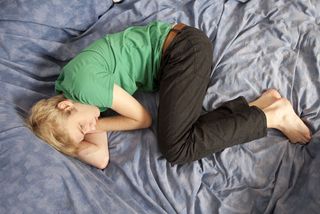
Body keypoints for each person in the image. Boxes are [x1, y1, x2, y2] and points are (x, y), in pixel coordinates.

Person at [27, 21, 311, 169]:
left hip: (183, 49)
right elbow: (101, 158)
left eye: (81, 127)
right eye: (84, 131)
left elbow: (142, 118)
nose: (90, 128)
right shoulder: (75, 101)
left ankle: (272, 116)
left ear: (65, 106)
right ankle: (260, 105)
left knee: (177, 149)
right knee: (179, 137)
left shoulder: (85, 86)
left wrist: (94, 127)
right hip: (172, 62)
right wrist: (72, 144)